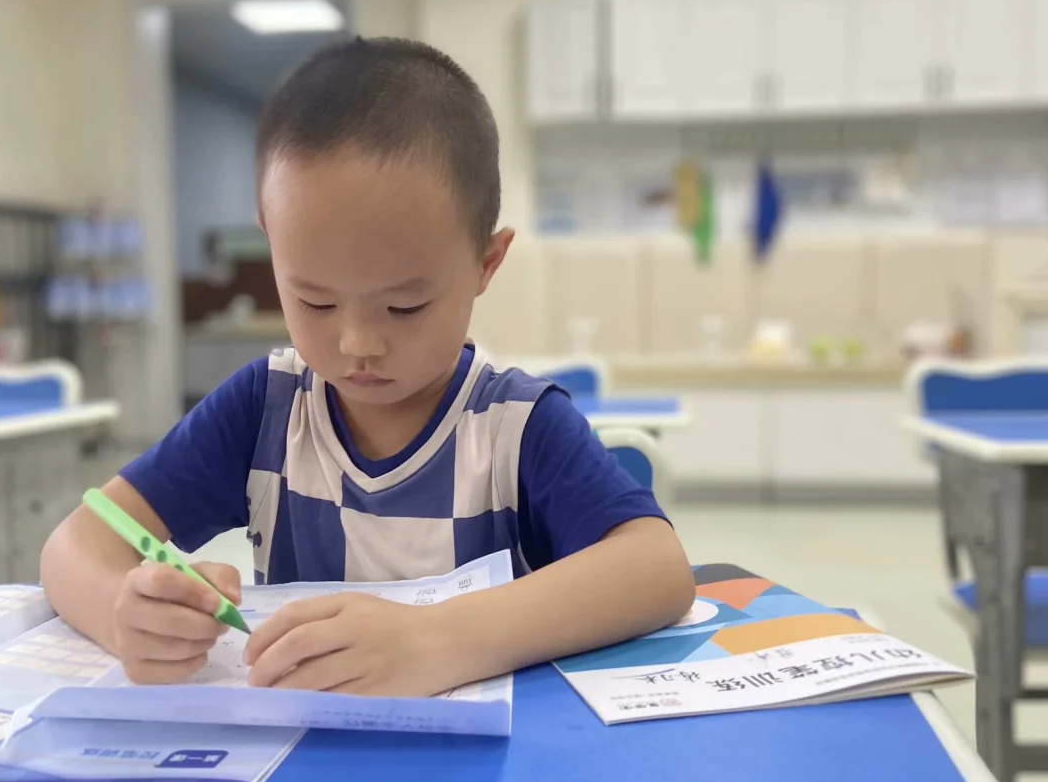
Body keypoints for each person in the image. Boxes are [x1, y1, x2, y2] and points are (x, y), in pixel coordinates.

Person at [41, 38, 693, 697]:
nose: (357, 343)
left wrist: (438, 639)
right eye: (313, 299)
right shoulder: (266, 409)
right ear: (273, 241)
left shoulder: (516, 427)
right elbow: (74, 548)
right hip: (301, 770)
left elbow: (656, 570)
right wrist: (127, 617)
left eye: (404, 306)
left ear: (485, 264)